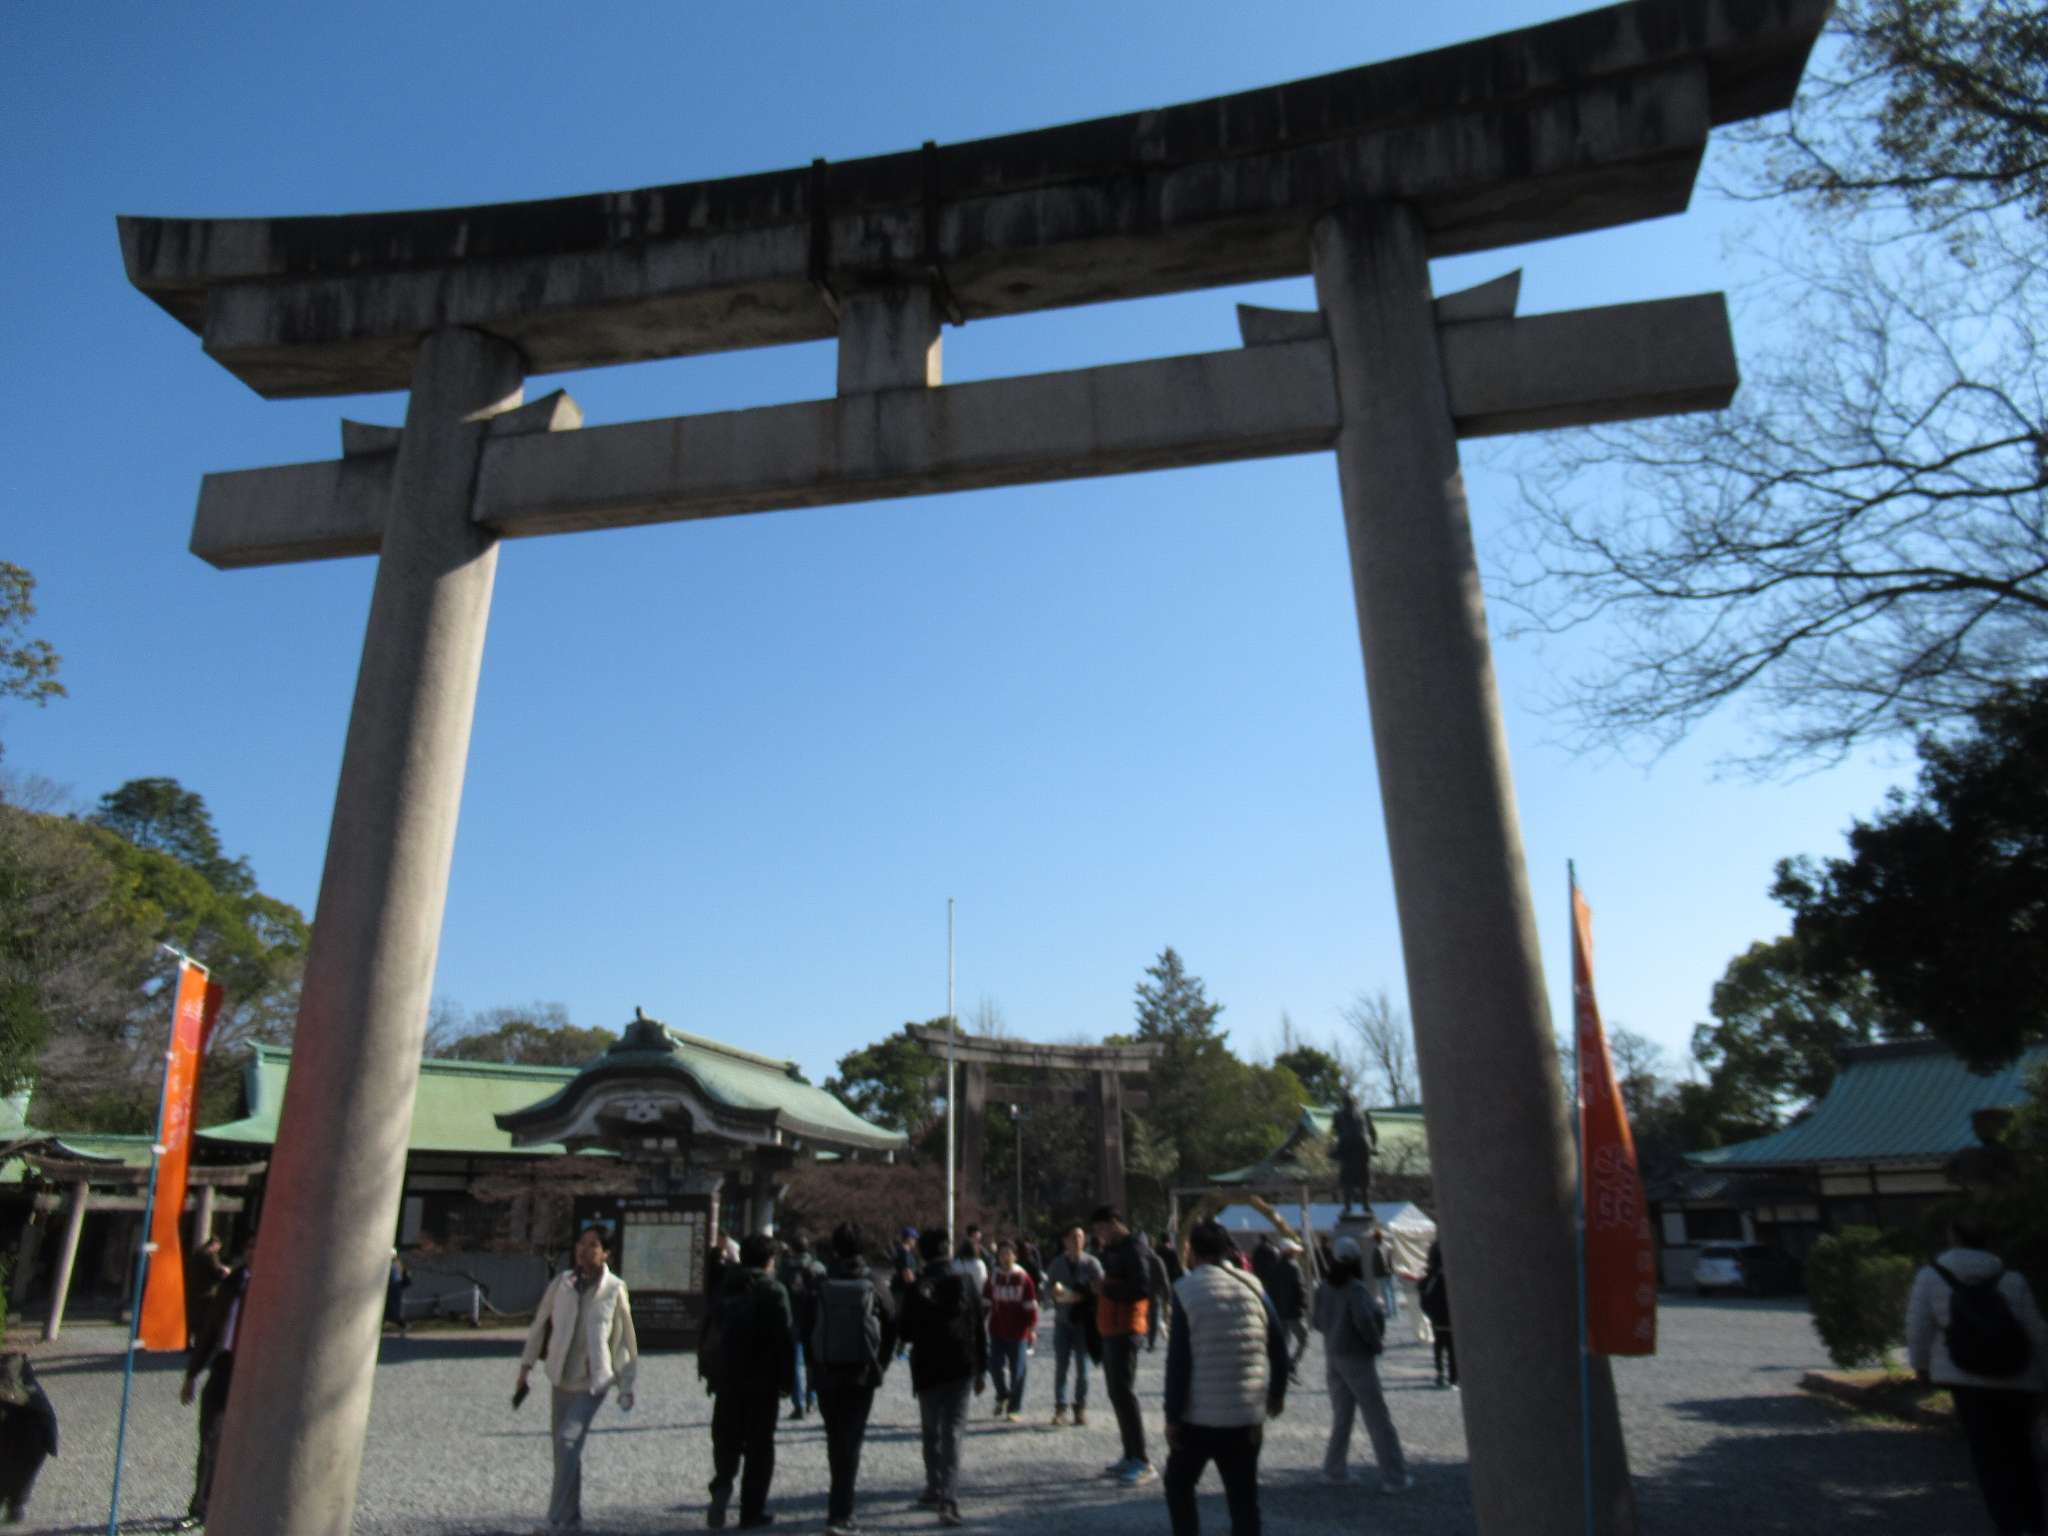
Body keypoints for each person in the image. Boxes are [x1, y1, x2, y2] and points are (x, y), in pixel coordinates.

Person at [1905, 1215, 2048, 1534]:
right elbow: (2036, 1329)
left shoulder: (1931, 1276)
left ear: (1952, 1236)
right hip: (2017, 1373)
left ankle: (2007, 1523)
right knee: (2021, 1449)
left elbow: (1918, 1327)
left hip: (1963, 1375)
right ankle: (2035, 1520)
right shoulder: (2011, 1278)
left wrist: (1921, 1366)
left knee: (1987, 1454)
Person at [1162, 1217, 1288, 1536]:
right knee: (1243, 1498)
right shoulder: (1253, 1285)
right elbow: (1278, 1343)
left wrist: (1172, 1415)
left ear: (1192, 1251)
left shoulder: (1186, 1290)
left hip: (1200, 1414)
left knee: (1179, 1484)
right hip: (1246, 1411)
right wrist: (1276, 1392)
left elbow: (1179, 1360)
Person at [516, 1225, 639, 1536]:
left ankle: (554, 1520)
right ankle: (572, 1520)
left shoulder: (614, 1288)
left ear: (606, 1253)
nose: (585, 1250)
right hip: (560, 1377)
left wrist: (626, 1385)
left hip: (593, 1380)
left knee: (568, 1442)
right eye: (581, 1243)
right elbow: (539, 1325)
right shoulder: (562, 1283)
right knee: (564, 1451)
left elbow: (624, 1340)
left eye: (593, 1245)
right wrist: (525, 1368)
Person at [811, 1222, 898, 1536]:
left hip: (827, 1370)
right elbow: (892, 1322)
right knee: (852, 1440)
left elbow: (806, 1324)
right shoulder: (873, 1281)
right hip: (861, 1371)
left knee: (835, 1438)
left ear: (834, 1247)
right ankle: (841, 1513)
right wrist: (881, 1363)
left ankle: (837, 1506)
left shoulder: (821, 1281)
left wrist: (814, 1361)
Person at [705, 1232, 796, 1530]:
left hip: (727, 1375)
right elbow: (785, 1337)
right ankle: (751, 1511)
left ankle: (721, 1486)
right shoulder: (773, 1290)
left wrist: (709, 1370)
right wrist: (788, 1380)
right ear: (770, 1260)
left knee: (726, 1438)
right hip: (762, 1379)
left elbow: (709, 1327)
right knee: (759, 1446)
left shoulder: (725, 1284)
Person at [899, 1227, 987, 1528]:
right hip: (961, 1364)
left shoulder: (918, 1286)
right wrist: (982, 1368)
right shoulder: (965, 1283)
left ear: (923, 1252)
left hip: (927, 1366)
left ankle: (933, 1485)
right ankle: (949, 1497)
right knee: (953, 1431)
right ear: (947, 1250)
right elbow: (978, 1326)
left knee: (931, 1429)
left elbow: (905, 1331)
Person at [1313, 1235, 1410, 1492]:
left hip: (1332, 1354)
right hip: (1356, 1356)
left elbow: (1317, 1322)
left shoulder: (1324, 1287)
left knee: (1342, 1416)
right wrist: (1376, 1343)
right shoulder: (1355, 1289)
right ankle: (1394, 1475)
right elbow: (1365, 1320)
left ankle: (1334, 1468)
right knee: (1378, 1418)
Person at [177, 1241, 252, 1532]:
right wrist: (192, 1374)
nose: (252, 1253)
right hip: (224, 1364)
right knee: (210, 1437)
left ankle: (243, 1504)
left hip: (257, 1371)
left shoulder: (277, 1285)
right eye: (250, 1247)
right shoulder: (232, 1283)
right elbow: (211, 1329)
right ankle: (201, 1506)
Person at [1092, 1204, 1158, 1486]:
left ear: (1114, 1223)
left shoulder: (1134, 1249)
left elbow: (1143, 1287)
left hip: (1127, 1328)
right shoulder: (1111, 1250)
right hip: (1110, 1327)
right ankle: (1130, 1454)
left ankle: (1142, 1460)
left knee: (1124, 1392)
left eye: (1100, 1228)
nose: (1098, 1235)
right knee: (1115, 1393)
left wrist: (1106, 1288)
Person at [1045, 1224, 1103, 1426]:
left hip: (1083, 1322)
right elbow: (1046, 1289)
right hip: (1062, 1322)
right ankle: (1060, 1408)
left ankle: (1081, 1407)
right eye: (1073, 1237)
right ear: (1065, 1241)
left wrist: (1085, 1293)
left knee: (1082, 1368)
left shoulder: (1092, 1263)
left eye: (1080, 1237)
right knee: (1061, 1366)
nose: (1077, 1241)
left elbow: (1102, 1288)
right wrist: (1053, 1294)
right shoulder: (1056, 1264)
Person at [0, 1351, 58, 1527]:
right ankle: (14, 1510)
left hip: (31, 1434)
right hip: (36, 1434)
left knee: (14, 1478)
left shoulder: (12, 1378)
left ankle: (14, 1512)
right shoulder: (19, 1373)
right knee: (17, 1481)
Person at [985, 1239, 1039, 1422]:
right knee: (994, 1366)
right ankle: (1002, 1394)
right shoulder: (993, 1277)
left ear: (1015, 1256)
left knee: (1018, 1370)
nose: (1005, 1257)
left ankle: (1014, 1407)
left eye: (1009, 1253)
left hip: (1018, 1331)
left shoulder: (1023, 1278)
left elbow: (1031, 1305)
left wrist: (1032, 1328)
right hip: (997, 1329)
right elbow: (986, 1301)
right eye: (1002, 1254)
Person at [778, 1232, 825, 1421]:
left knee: (796, 1364)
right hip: (814, 1320)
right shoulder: (818, 1267)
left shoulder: (786, 1267)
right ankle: (812, 1398)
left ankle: (798, 1405)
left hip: (794, 1319)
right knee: (813, 1363)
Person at [1267, 1238, 1309, 1380]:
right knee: (1303, 1339)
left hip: (1279, 1311)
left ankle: (1282, 1368)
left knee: (1284, 1341)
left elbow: (1270, 1291)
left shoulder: (1274, 1268)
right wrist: (1304, 1304)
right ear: (1290, 1253)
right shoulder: (1294, 1268)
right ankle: (1291, 1364)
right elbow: (1300, 1289)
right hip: (1293, 1311)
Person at [1417, 1240, 1455, 1389]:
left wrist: (1429, 1313)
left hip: (1436, 1316)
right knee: (1452, 1348)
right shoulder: (1450, 1276)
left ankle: (1440, 1373)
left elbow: (1423, 1296)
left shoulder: (1430, 1277)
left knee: (1439, 1345)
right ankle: (1453, 1377)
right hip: (1449, 1316)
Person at [385, 1249, 412, 1338]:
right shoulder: (398, 1264)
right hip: (395, 1289)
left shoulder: (394, 1265)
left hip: (393, 1289)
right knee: (390, 1310)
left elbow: (392, 1279)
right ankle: (403, 1326)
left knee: (393, 1311)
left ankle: (404, 1325)